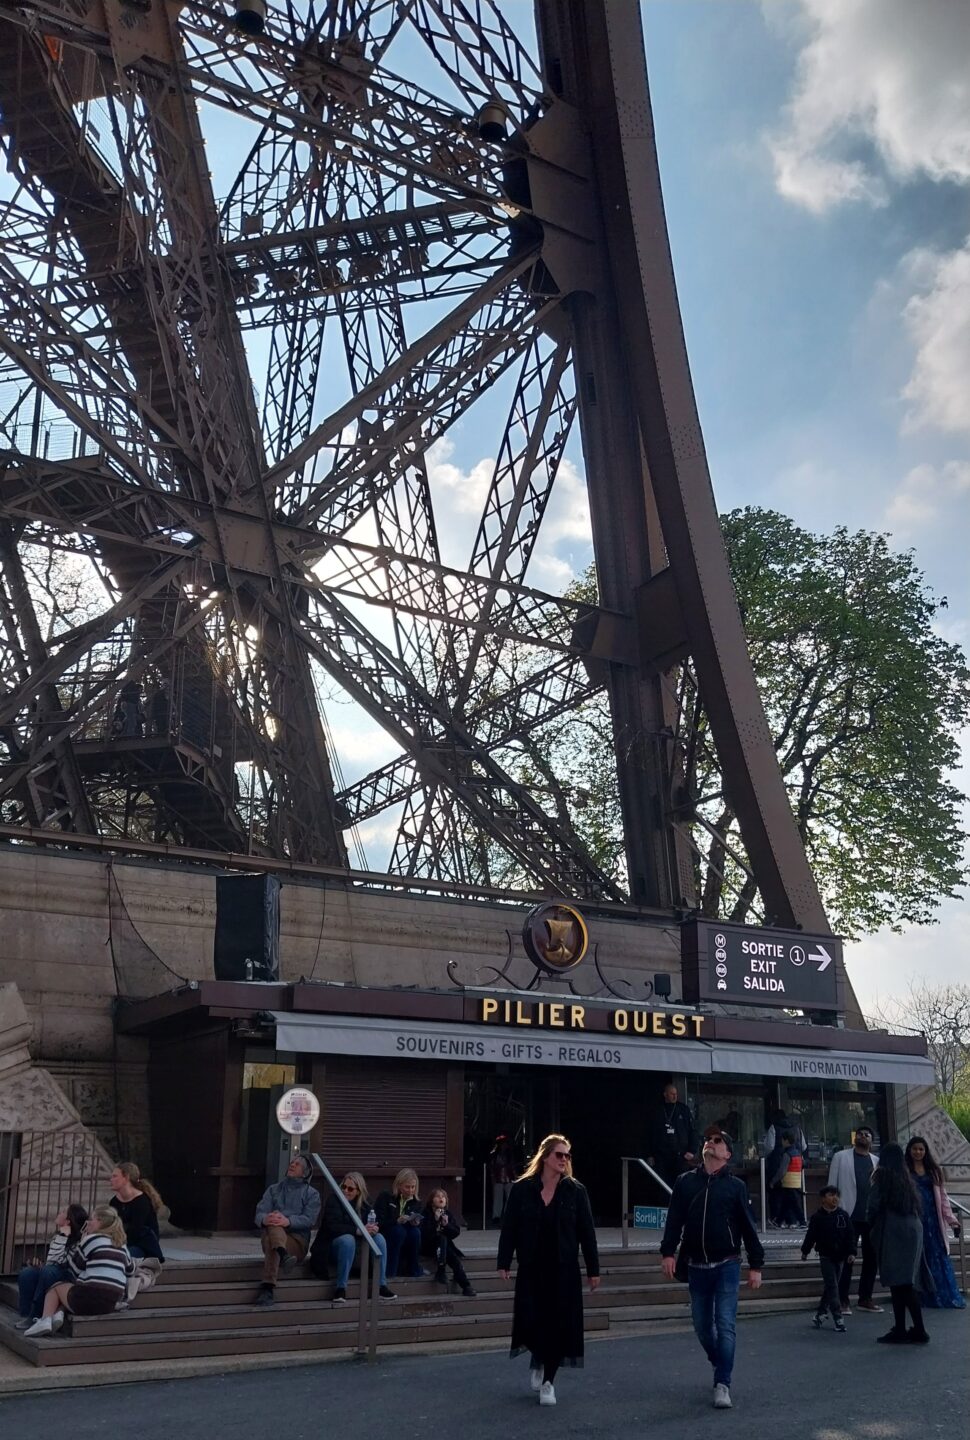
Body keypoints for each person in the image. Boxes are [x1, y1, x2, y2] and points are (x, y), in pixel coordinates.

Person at [660, 1127, 764, 1411]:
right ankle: (720, 1362)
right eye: (708, 1139)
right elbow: (674, 1220)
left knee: (725, 1324)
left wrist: (756, 1264)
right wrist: (668, 1251)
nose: (711, 1143)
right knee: (702, 1327)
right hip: (696, 1265)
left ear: (727, 1154)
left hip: (727, 1263)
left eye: (718, 1141)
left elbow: (747, 1226)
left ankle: (723, 1383)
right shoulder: (685, 1182)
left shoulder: (735, 1186)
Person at [497, 1133, 599, 1408]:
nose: (564, 1160)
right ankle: (537, 1359)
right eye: (559, 1155)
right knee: (531, 1319)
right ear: (545, 1157)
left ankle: (548, 1382)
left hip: (563, 1269)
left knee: (557, 1323)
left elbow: (587, 1232)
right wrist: (504, 1261)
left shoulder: (576, 1192)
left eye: (567, 1155)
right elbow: (510, 1228)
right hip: (532, 1266)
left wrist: (593, 1268)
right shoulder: (522, 1190)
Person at [24, 1205, 134, 1337]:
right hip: (110, 1303)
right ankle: (59, 1313)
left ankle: (45, 1320)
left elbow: (74, 1270)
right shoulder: (122, 1245)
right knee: (71, 1289)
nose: (88, 1222)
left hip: (87, 1299)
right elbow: (130, 1271)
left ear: (100, 1222)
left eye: (92, 1219)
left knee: (55, 1288)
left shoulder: (91, 1239)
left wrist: (82, 1242)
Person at [866, 1142, 932, 1345]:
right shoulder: (906, 1178)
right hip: (913, 1228)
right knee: (907, 1281)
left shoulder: (881, 1177)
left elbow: (873, 1206)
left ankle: (903, 1329)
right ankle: (916, 1328)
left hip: (893, 1230)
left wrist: (871, 1228)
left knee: (898, 1282)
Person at [307, 1171, 396, 1303]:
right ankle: (340, 1288)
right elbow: (333, 1226)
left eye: (350, 1189)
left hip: (358, 1249)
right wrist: (358, 1231)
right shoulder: (334, 1200)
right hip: (331, 1247)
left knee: (380, 1239)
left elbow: (371, 1223)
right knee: (347, 1240)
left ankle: (381, 1285)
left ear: (358, 1191)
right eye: (343, 1186)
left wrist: (373, 1229)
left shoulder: (366, 1204)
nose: (345, 1191)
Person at [904, 1135, 965, 1310]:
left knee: (937, 1256)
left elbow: (943, 1198)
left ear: (926, 1151)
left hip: (933, 1219)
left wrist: (951, 1220)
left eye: (921, 1149)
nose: (918, 1152)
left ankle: (941, 1295)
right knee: (918, 1256)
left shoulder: (934, 1171)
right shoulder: (904, 1170)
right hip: (914, 1218)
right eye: (915, 1148)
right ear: (909, 1150)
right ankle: (920, 1296)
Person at [253, 1153, 321, 1308]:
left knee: (274, 1233)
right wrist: (265, 1219)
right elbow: (260, 1212)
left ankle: (268, 1288)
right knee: (274, 1221)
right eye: (291, 1162)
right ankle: (283, 1255)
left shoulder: (312, 1194)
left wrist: (287, 1221)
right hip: (275, 1236)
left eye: (297, 1164)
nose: (292, 1164)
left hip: (297, 1242)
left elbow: (309, 1219)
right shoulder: (273, 1189)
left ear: (304, 1172)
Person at [828, 1124, 881, 1312]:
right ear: (854, 1138)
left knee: (871, 1258)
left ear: (872, 1141)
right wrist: (831, 1210)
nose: (863, 1136)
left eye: (867, 1134)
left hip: (871, 1218)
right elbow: (832, 1185)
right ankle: (842, 1300)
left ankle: (865, 1298)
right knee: (846, 1258)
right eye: (860, 1134)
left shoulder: (876, 1161)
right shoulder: (840, 1157)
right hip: (847, 1215)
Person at [16, 1204, 88, 1329]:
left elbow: (62, 1263)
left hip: (69, 1277)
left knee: (48, 1271)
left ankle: (36, 1315)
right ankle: (26, 1315)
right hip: (55, 1271)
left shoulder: (79, 1241)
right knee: (27, 1273)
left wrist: (63, 1237)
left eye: (62, 1212)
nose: (58, 1213)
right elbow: (52, 1261)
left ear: (68, 1221)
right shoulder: (58, 1236)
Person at [800, 1185, 856, 1332]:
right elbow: (811, 1235)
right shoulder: (818, 1218)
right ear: (823, 1198)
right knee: (832, 1285)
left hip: (841, 1256)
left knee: (832, 1285)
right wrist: (805, 1251)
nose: (835, 1198)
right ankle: (838, 1317)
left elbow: (850, 1235)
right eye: (831, 1195)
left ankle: (821, 1313)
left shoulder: (843, 1216)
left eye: (837, 1195)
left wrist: (852, 1252)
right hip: (825, 1256)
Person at [422, 1187, 476, 1296]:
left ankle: (466, 1286)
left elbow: (455, 1232)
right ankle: (442, 1271)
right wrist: (435, 1221)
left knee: (453, 1258)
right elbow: (425, 1233)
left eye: (443, 1197)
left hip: (444, 1247)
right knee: (442, 1240)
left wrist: (446, 1225)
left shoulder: (447, 1214)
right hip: (428, 1246)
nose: (441, 1198)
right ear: (432, 1200)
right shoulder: (426, 1213)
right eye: (437, 1196)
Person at [108, 1161, 165, 1261]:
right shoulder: (114, 1202)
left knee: (120, 1256)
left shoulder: (142, 1201)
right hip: (122, 1242)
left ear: (126, 1178)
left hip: (143, 1245)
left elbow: (136, 1231)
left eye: (115, 1176)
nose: (111, 1179)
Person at [647, 1082, 699, 1191]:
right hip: (661, 1157)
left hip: (680, 1156)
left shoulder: (683, 1109)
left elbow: (693, 1130)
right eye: (672, 1094)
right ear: (665, 1094)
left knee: (680, 1186)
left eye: (676, 1094)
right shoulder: (657, 1110)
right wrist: (650, 1154)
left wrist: (692, 1150)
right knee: (662, 1186)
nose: (675, 1096)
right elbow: (650, 1133)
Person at [374, 1168, 425, 1280]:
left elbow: (420, 1224)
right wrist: (396, 1220)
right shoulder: (386, 1196)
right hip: (387, 1230)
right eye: (407, 1187)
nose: (410, 1190)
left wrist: (416, 1222)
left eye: (413, 1187)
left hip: (405, 1231)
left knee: (415, 1232)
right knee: (398, 1231)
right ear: (399, 1185)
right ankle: (390, 1272)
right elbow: (379, 1221)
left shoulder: (416, 1202)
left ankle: (413, 1269)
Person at [489, 1135, 516, 1223]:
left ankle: (508, 1215)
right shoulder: (495, 1155)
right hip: (498, 1178)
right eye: (502, 1144)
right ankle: (496, 1216)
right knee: (498, 1199)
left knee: (510, 1198)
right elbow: (492, 1167)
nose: (504, 1146)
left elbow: (513, 1167)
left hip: (509, 1178)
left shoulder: (510, 1155)